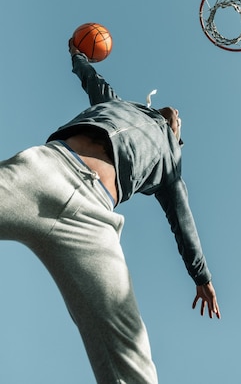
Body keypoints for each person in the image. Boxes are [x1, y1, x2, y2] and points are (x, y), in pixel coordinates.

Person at [0, 39, 220, 384]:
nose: (175, 113)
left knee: (131, 356)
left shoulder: (171, 166)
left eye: (178, 121)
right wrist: (77, 57)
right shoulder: (116, 105)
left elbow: (183, 222)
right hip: (45, 171)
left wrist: (201, 276)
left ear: (178, 137)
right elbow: (92, 79)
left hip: (94, 220)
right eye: (171, 113)